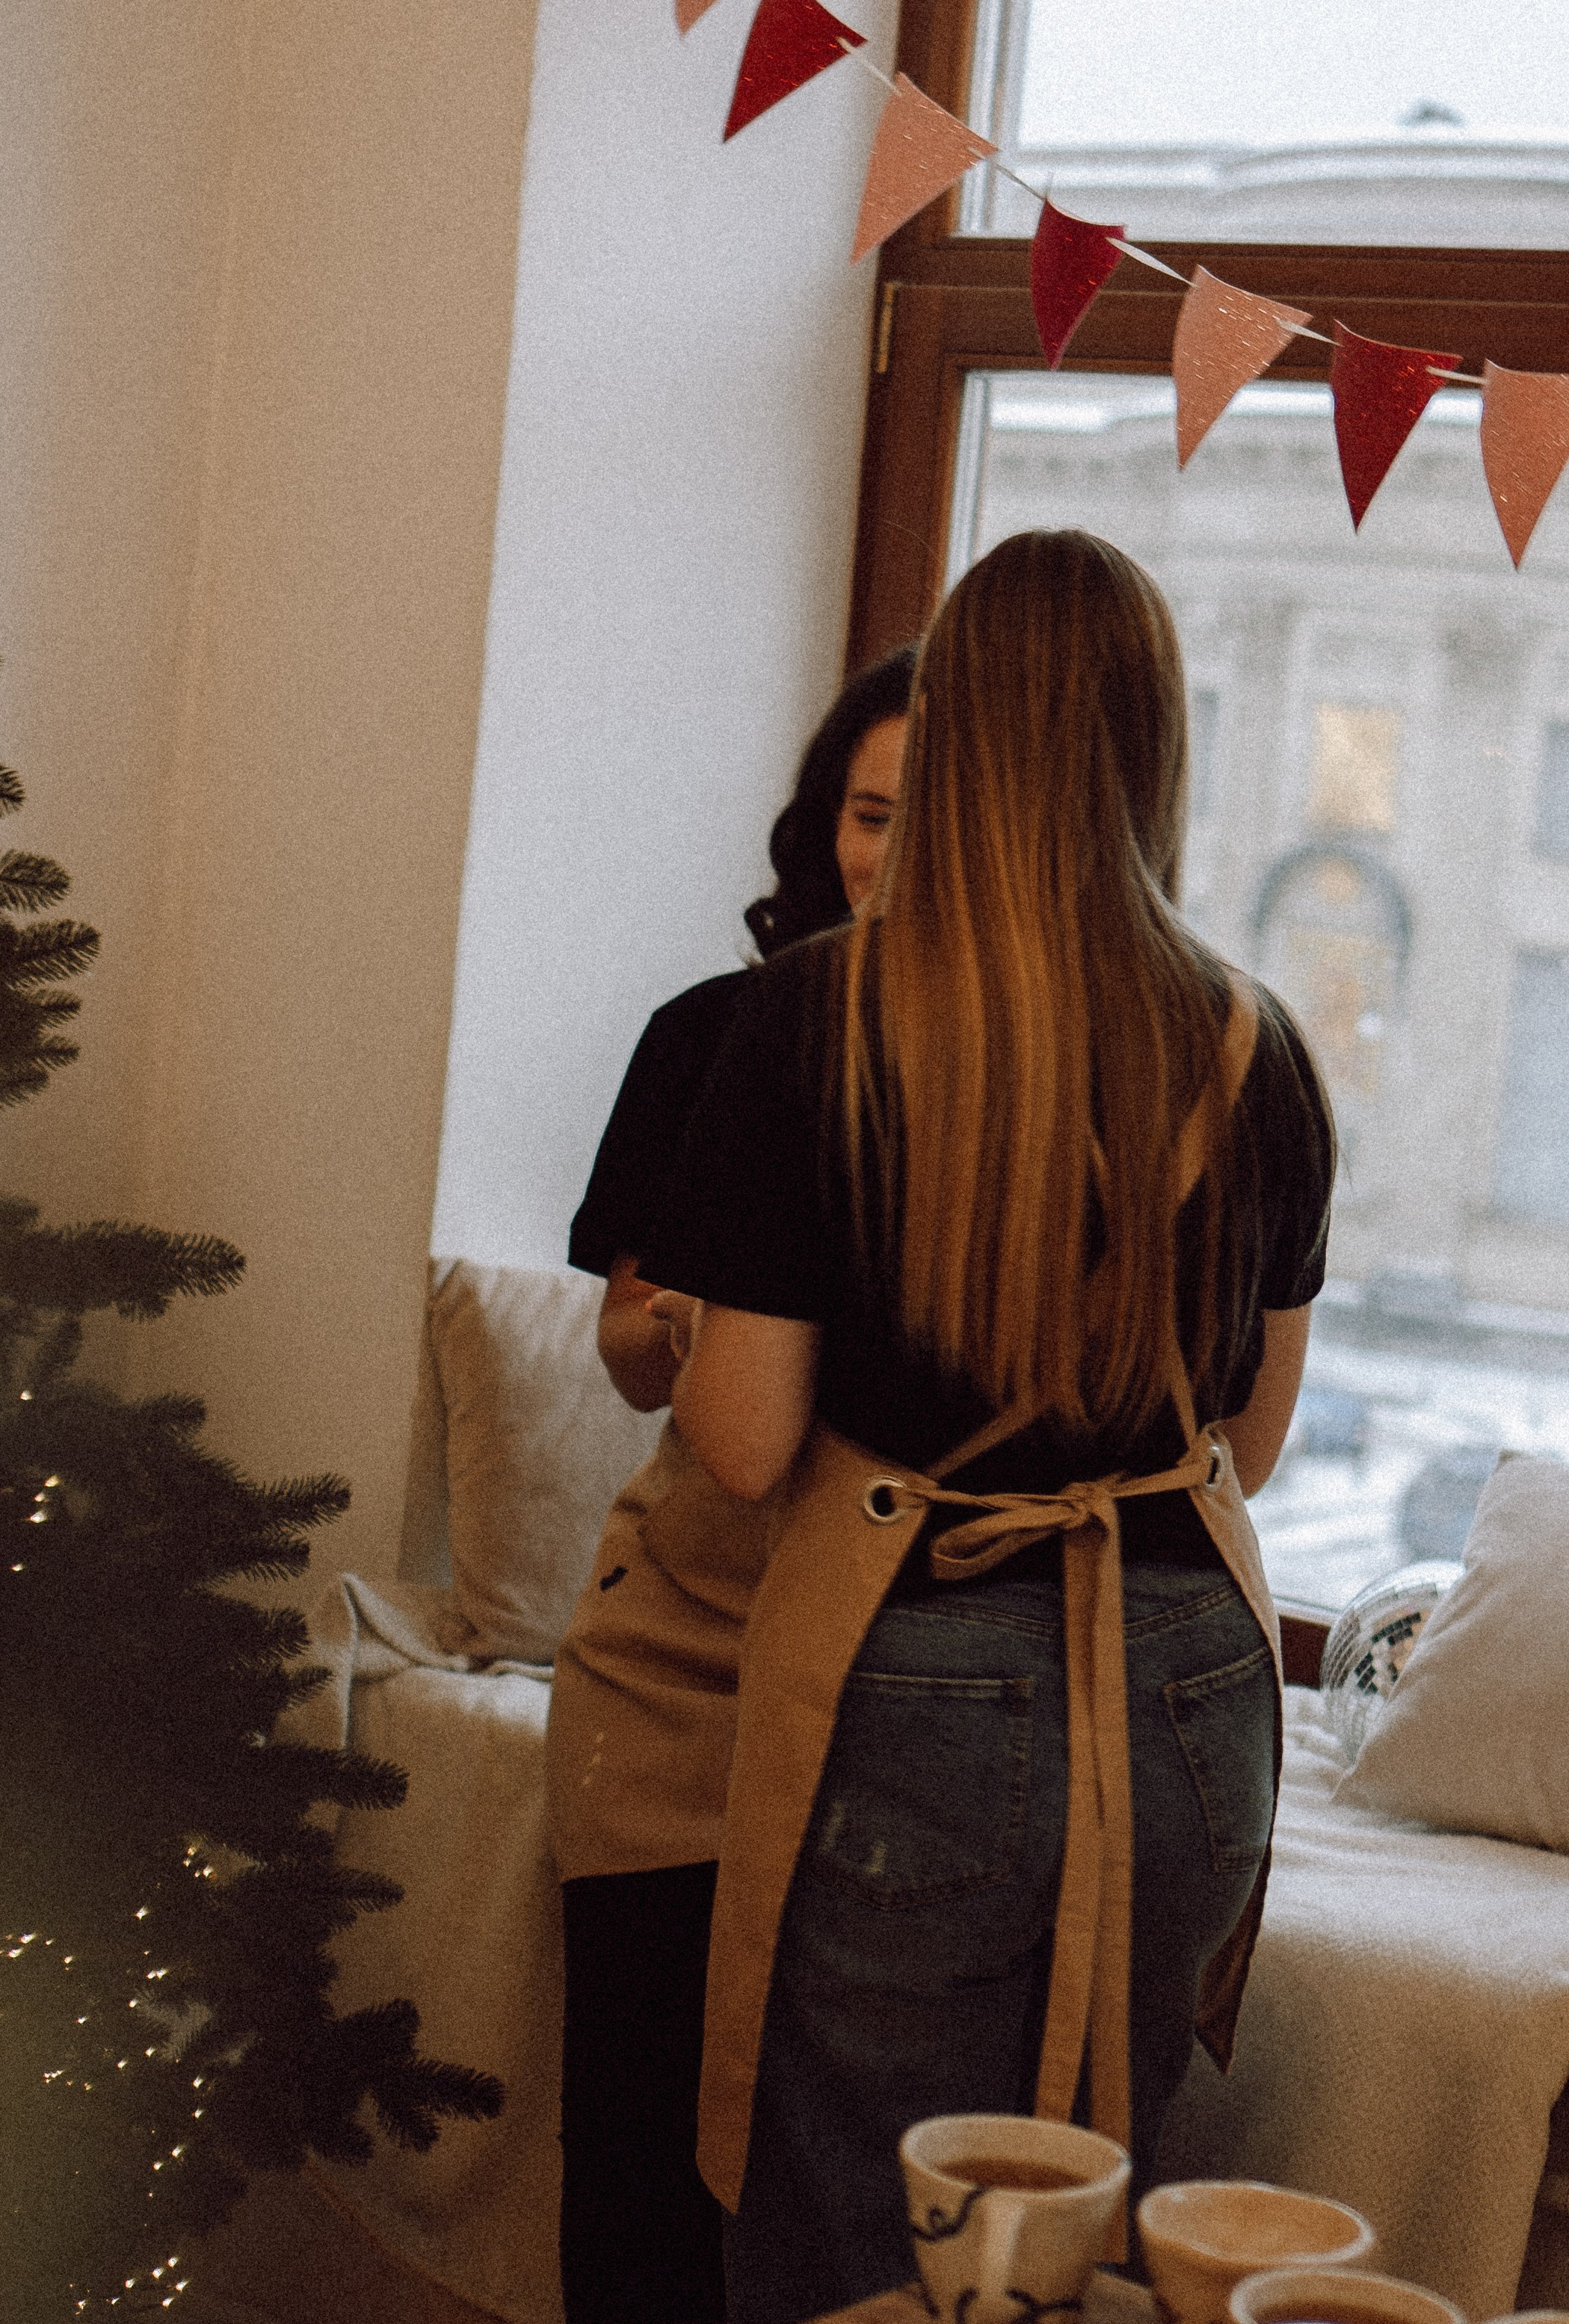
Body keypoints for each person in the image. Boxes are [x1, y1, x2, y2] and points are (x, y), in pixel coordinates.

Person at [656, 530, 1336, 2324]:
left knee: (860, 2239)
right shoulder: (1256, 1047)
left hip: (926, 1672)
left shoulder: (813, 1020)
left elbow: (740, 1439)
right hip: (1193, 1683)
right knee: (1076, 2236)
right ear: (1155, 744)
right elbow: (1247, 1445)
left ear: (950, 737)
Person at [547, 640, 916, 2324]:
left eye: (930, 821)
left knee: (829, 2195)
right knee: (638, 2167)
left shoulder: (1013, 1070)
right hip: (685, 1656)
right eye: (866, 813)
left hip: (904, 1697)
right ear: (820, 822)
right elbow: (630, 1351)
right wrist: (699, 1324)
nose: (888, 853)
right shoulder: (712, 1034)